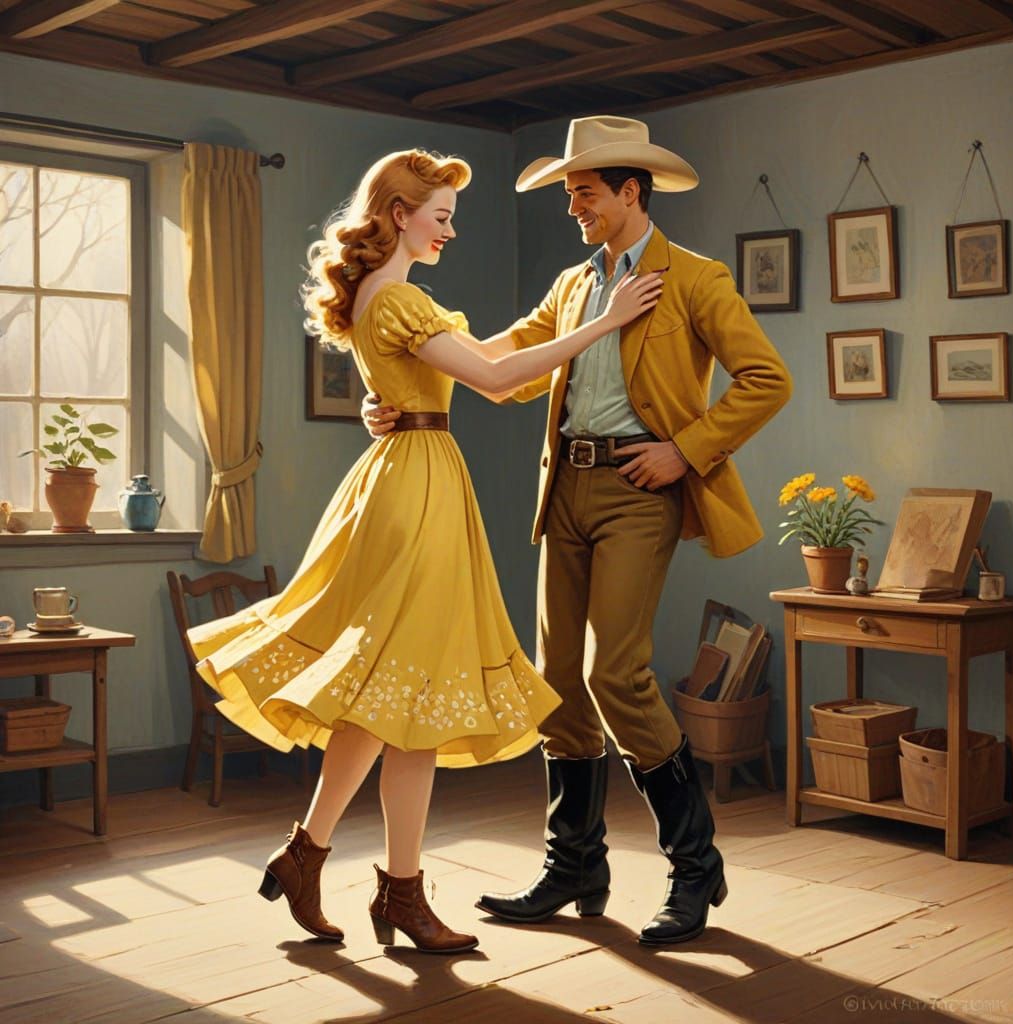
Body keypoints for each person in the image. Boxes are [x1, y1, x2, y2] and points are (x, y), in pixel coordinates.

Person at [185, 148, 663, 955]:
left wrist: (394, 407)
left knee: (393, 696)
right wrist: (605, 321)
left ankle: (320, 858)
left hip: (405, 476)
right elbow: (497, 375)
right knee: (407, 689)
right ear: (400, 215)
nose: (450, 231)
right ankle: (392, 890)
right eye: (440, 217)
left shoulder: (387, 299)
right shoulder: (402, 301)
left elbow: (474, 381)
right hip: (416, 494)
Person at [363, 117, 792, 946]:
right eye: (568, 195)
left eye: (584, 194)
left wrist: (685, 450)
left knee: (616, 673)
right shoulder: (571, 286)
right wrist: (396, 402)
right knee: (558, 678)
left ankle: (695, 867)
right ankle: (576, 867)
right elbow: (490, 367)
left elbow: (767, 378)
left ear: (631, 192)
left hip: (640, 487)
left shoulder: (696, 279)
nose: (573, 208)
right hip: (565, 488)